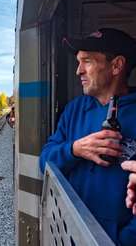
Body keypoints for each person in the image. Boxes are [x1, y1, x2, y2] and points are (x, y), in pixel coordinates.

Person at [39, 28, 136, 245]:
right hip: (68, 233)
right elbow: (44, 162)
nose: (78, 71)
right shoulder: (74, 109)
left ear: (116, 66)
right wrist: (74, 150)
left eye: (87, 61)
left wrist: (123, 240)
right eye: (78, 62)